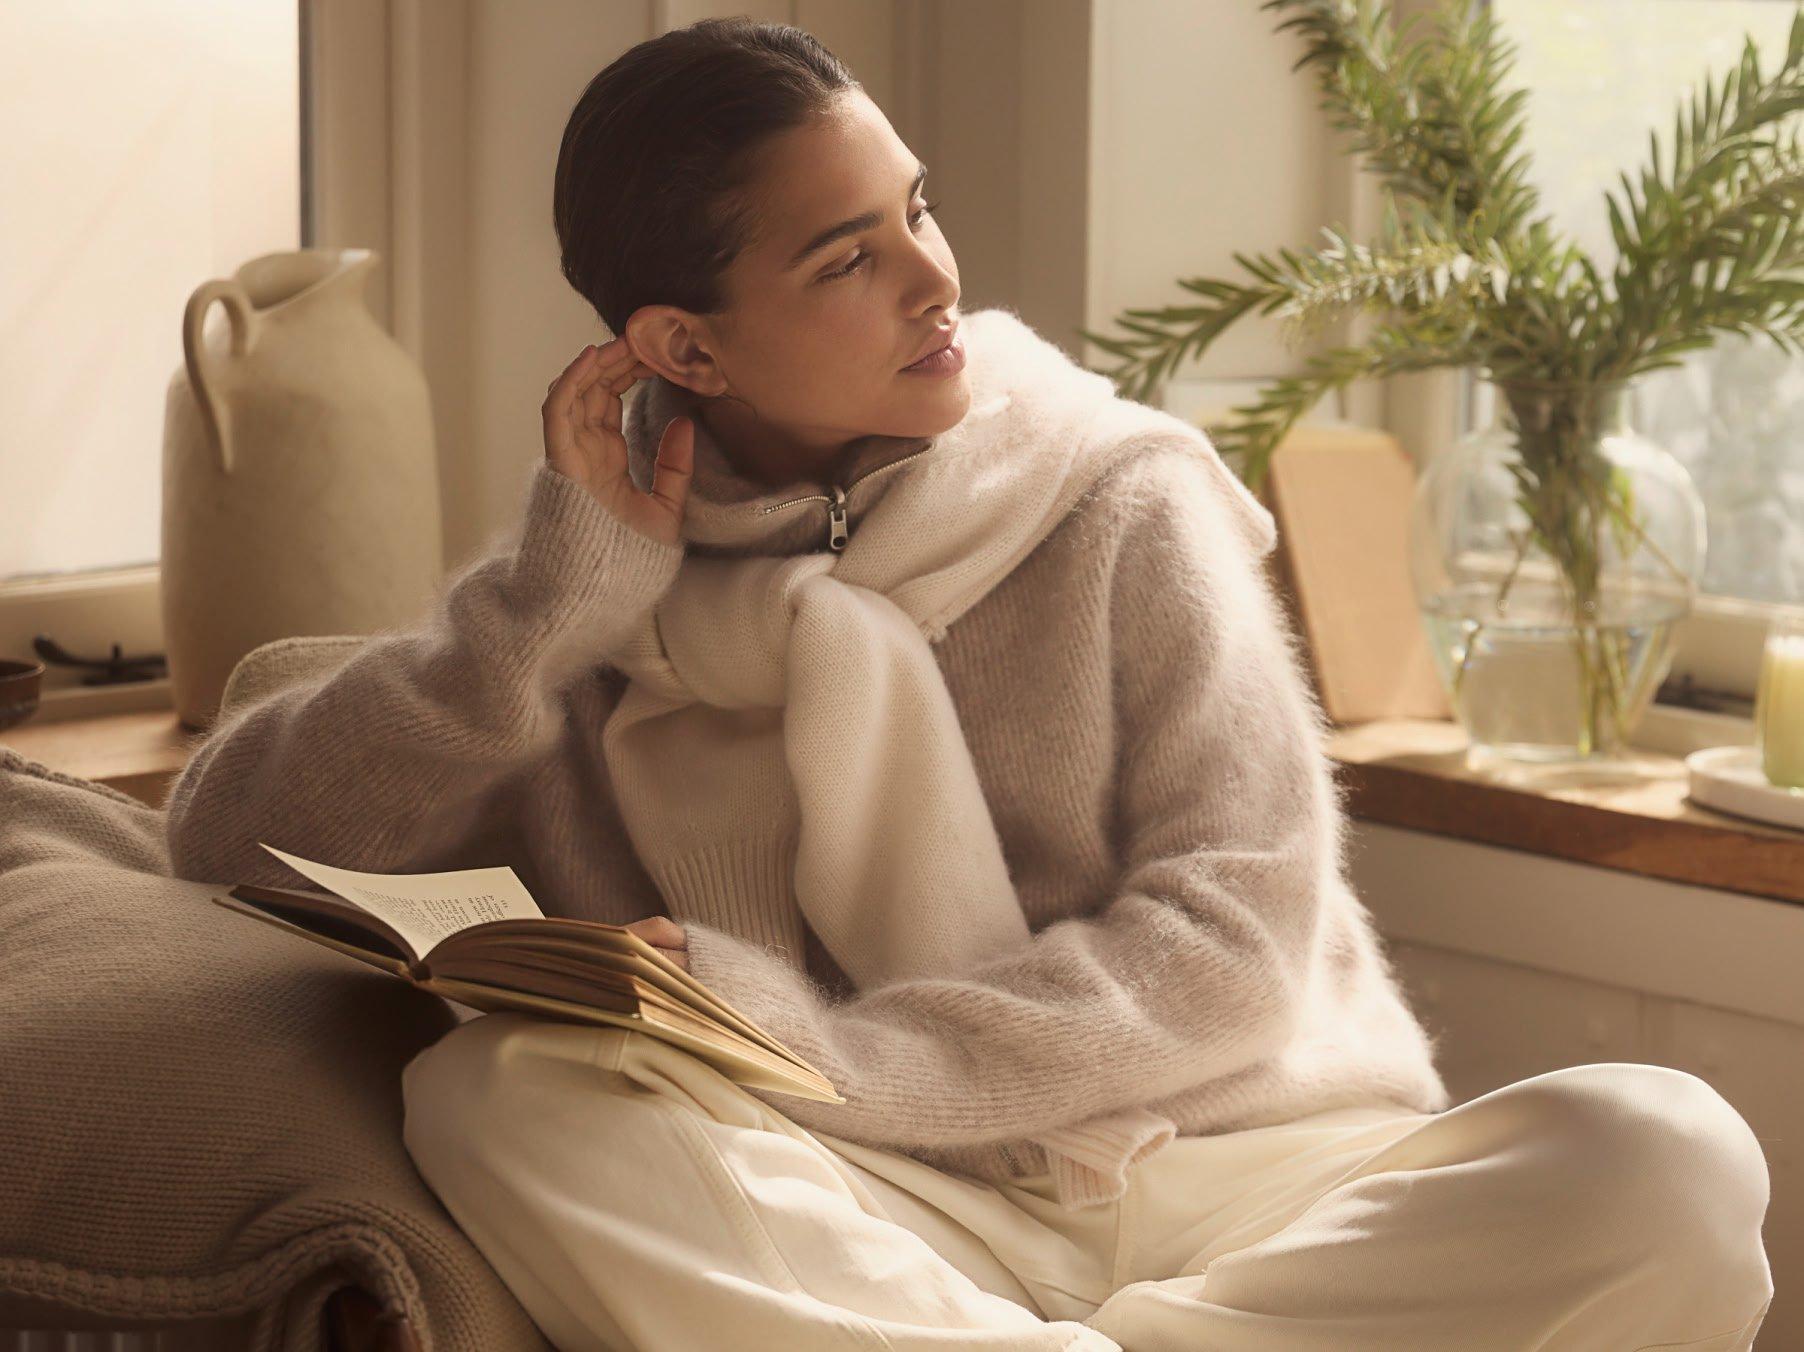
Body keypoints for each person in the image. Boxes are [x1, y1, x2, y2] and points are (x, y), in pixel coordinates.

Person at [165, 16, 1776, 1352]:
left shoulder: (1117, 496)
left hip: (1240, 1165)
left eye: (918, 209)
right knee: (494, 1096)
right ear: (686, 349)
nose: (935, 279)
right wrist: (532, 620)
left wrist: (804, 1044)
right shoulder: (596, 582)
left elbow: (1232, 940)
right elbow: (223, 841)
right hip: (883, 1202)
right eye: (850, 257)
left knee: (1670, 1161)